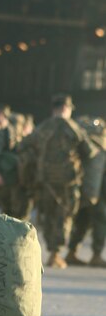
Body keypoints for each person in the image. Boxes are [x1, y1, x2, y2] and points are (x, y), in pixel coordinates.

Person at [22, 94, 95, 268]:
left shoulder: (42, 127)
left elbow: (25, 146)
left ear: (53, 109)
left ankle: (50, 251)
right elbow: (89, 152)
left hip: (45, 181)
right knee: (64, 217)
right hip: (67, 183)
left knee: (48, 215)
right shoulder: (73, 127)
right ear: (67, 109)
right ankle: (56, 253)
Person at [65, 116, 106, 267]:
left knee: (82, 222)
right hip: (97, 194)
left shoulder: (81, 145)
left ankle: (72, 252)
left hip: (81, 191)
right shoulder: (101, 148)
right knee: (100, 221)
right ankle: (96, 255)